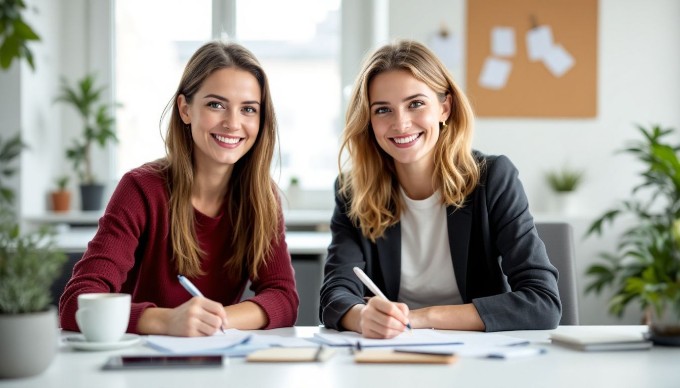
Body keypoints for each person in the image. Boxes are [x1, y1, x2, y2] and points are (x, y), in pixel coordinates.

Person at [319, 40, 561, 339]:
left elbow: (542, 302)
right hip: (391, 355)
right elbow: (335, 295)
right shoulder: (352, 190)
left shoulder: (493, 178)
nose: (401, 123)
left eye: (416, 104)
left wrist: (421, 317)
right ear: (369, 121)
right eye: (383, 110)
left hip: (478, 356)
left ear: (444, 107)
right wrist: (362, 317)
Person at [59, 41, 299, 336]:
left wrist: (214, 318)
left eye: (248, 109)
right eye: (216, 105)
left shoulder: (261, 198)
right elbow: (76, 304)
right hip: (139, 364)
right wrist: (166, 320)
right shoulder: (141, 189)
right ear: (185, 109)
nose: (233, 123)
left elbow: (283, 298)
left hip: (217, 361)